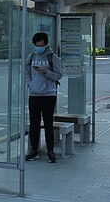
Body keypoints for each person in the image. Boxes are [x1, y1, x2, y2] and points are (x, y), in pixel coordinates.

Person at [25, 32, 62, 163]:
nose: (38, 47)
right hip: (34, 95)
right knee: (34, 124)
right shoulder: (31, 57)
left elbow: (58, 75)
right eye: (36, 45)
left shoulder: (52, 57)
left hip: (49, 95)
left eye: (40, 45)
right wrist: (31, 85)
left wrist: (46, 72)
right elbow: (27, 74)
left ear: (45, 44)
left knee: (48, 124)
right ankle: (34, 150)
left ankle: (50, 151)